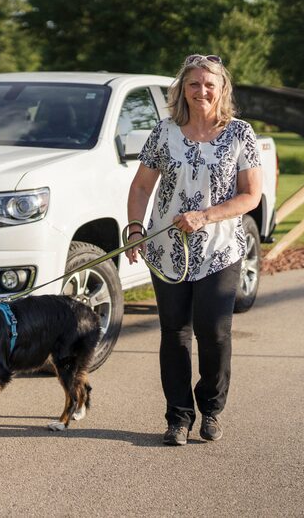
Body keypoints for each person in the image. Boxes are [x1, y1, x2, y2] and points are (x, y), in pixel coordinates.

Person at [125, 54, 263, 446]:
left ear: (222, 90)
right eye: (193, 84)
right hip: (167, 250)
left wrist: (206, 216)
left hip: (220, 249)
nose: (201, 90)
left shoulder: (240, 133)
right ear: (182, 89)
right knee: (175, 333)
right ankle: (179, 418)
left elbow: (251, 196)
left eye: (209, 84)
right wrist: (135, 227)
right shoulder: (163, 131)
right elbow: (140, 187)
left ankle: (212, 409)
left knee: (214, 332)